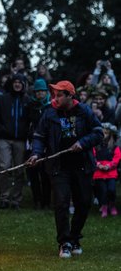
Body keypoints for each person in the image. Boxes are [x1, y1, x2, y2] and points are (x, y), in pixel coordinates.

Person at [27, 80, 103, 259]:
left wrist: (82, 143)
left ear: (70, 96)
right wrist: (37, 154)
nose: (56, 97)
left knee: (84, 202)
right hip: (59, 167)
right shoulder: (49, 113)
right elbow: (39, 136)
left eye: (60, 94)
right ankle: (65, 243)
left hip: (82, 165)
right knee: (61, 203)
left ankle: (75, 237)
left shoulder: (84, 111)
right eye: (54, 94)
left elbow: (98, 132)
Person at [0, 73, 31, 209]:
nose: (17, 84)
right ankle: (4, 196)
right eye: (15, 82)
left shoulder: (27, 100)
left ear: (23, 85)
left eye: (20, 82)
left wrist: (27, 133)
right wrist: (2, 130)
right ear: (11, 83)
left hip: (20, 140)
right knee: (4, 168)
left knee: (19, 170)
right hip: (4, 138)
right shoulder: (3, 99)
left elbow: (30, 120)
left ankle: (16, 199)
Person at [27, 79, 51, 209]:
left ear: (46, 92)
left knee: (45, 174)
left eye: (42, 91)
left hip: (47, 143)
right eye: (37, 92)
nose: (39, 94)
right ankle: (37, 200)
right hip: (32, 142)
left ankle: (46, 201)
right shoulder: (31, 106)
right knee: (33, 172)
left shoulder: (51, 106)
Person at [92, 122, 120, 218]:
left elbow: (117, 157)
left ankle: (111, 205)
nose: (104, 135)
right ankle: (104, 206)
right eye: (103, 132)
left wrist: (110, 165)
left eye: (106, 133)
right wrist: (98, 164)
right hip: (99, 173)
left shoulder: (114, 147)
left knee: (111, 189)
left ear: (111, 134)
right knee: (102, 191)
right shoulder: (96, 146)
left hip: (110, 172)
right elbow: (93, 156)